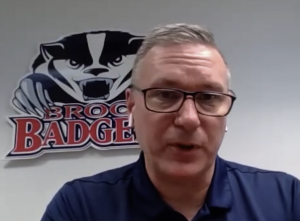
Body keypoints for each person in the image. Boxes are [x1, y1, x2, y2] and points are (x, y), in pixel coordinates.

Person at [41, 23, 300, 221]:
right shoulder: (79, 208)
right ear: (132, 106)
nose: (188, 119)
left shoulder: (286, 199)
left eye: (209, 97)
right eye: (165, 95)